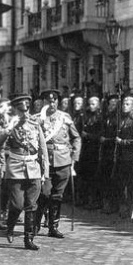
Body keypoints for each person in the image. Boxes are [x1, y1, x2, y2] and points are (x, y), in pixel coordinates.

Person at [0, 94, 49, 250]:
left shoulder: (35, 124)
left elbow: (43, 148)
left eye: (27, 109)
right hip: (16, 168)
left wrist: (45, 172)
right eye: (21, 110)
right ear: (15, 110)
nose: (25, 113)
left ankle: (28, 239)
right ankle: (10, 227)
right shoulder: (10, 125)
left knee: (31, 205)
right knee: (17, 204)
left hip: (34, 168)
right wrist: (8, 130)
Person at [36, 89, 80, 238]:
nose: (52, 103)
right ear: (43, 102)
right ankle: (36, 224)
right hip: (44, 162)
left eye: (54, 100)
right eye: (48, 101)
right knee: (44, 194)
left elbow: (76, 138)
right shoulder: (38, 119)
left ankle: (53, 227)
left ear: (58, 102)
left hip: (63, 161)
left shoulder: (65, 117)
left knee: (57, 196)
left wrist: (74, 157)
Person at [113, 94, 133, 219]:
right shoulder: (122, 120)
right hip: (122, 157)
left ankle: (132, 210)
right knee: (121, 183)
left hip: (131, 158)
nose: (124, 106)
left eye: (127, 104)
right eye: (123, 103)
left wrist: (122, 142)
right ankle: (124, 208)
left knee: (131, 185)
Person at [77, 95, 103, 210]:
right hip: (86, 150)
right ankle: (85, 199)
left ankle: (95, 200)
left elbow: (100, 135)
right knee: (85, 175)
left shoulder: (100, 118)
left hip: (95, 150)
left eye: (93, 104)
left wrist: (88, 135)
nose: (91, 106)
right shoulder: (86, 117)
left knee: (94, 176)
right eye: (89, 104)